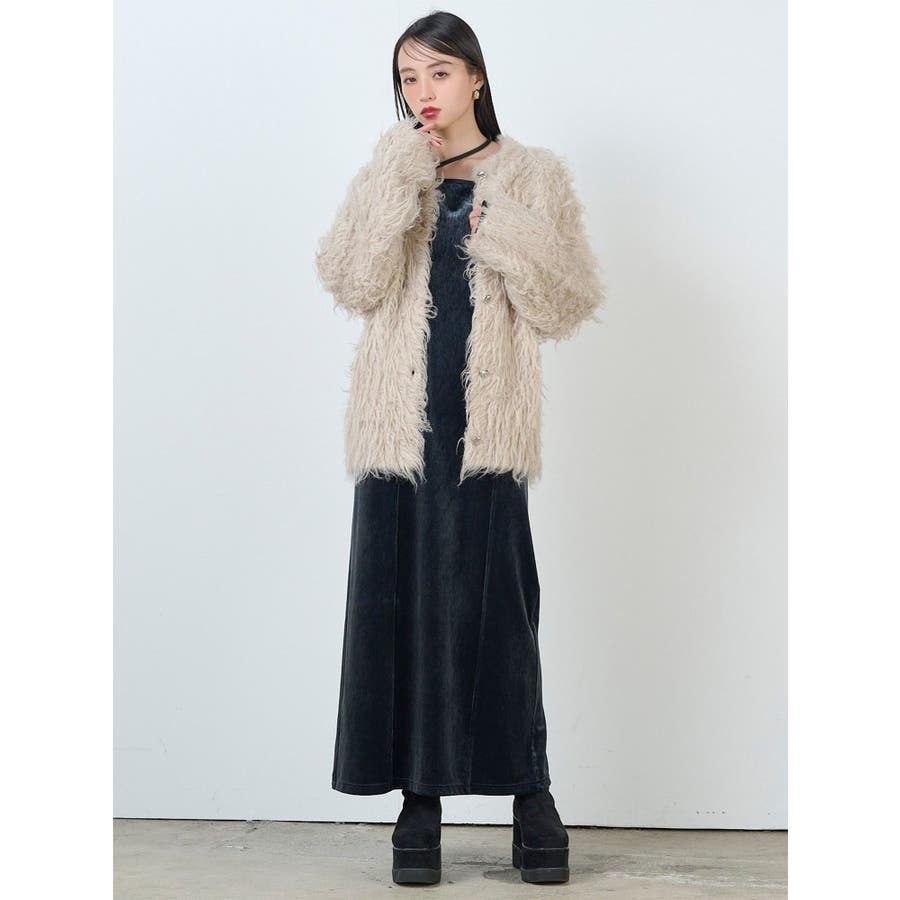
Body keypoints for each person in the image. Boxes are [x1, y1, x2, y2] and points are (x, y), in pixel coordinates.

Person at [314, 10, 606, 887]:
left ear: (476, 76)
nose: (423, 93)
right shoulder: (393, 169)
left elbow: (565, 302)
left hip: (487, 428)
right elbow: (351, 280)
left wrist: (501, 227)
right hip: (398, 428)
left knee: (500, 609)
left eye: (438, 73)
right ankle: (420, 799)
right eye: (409, 78)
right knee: (399, 605)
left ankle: (530, 794)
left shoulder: (532, 173)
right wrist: (395, 178)